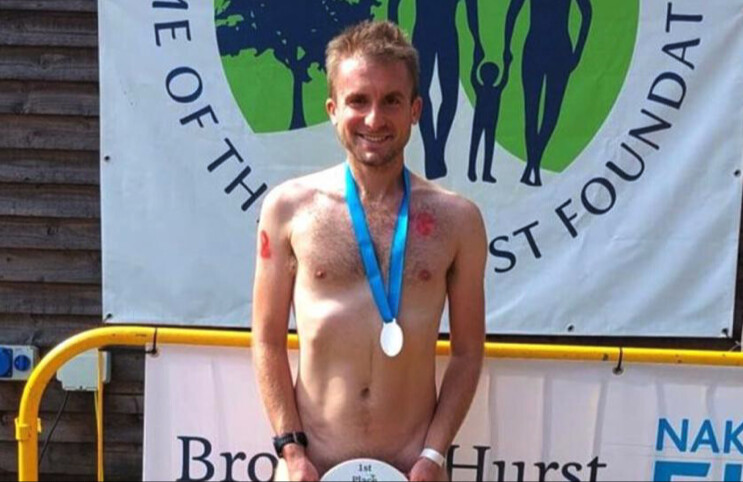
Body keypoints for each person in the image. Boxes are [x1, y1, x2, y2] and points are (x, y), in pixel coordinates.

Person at [252, 20, 487, 482]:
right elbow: (266, 340)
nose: (375, 120)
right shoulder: (288, 210)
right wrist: (291, 452)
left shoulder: (458, 221)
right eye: (358, 100)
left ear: (415, 109)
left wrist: (433, 457)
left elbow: (467, 353)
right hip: (310, 468)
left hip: (414, 468)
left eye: (391, 101)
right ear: (333, 109)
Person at [468, 60, 510, 183]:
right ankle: (472, 170)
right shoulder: (481, 88)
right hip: (479, 121)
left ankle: (486, 173)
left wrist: (507, 65)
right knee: (476, 145)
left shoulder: (495, 90)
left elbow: (504, 81)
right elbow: (473, 78)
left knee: (488, 146)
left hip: (491, 122)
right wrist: (506, 65)